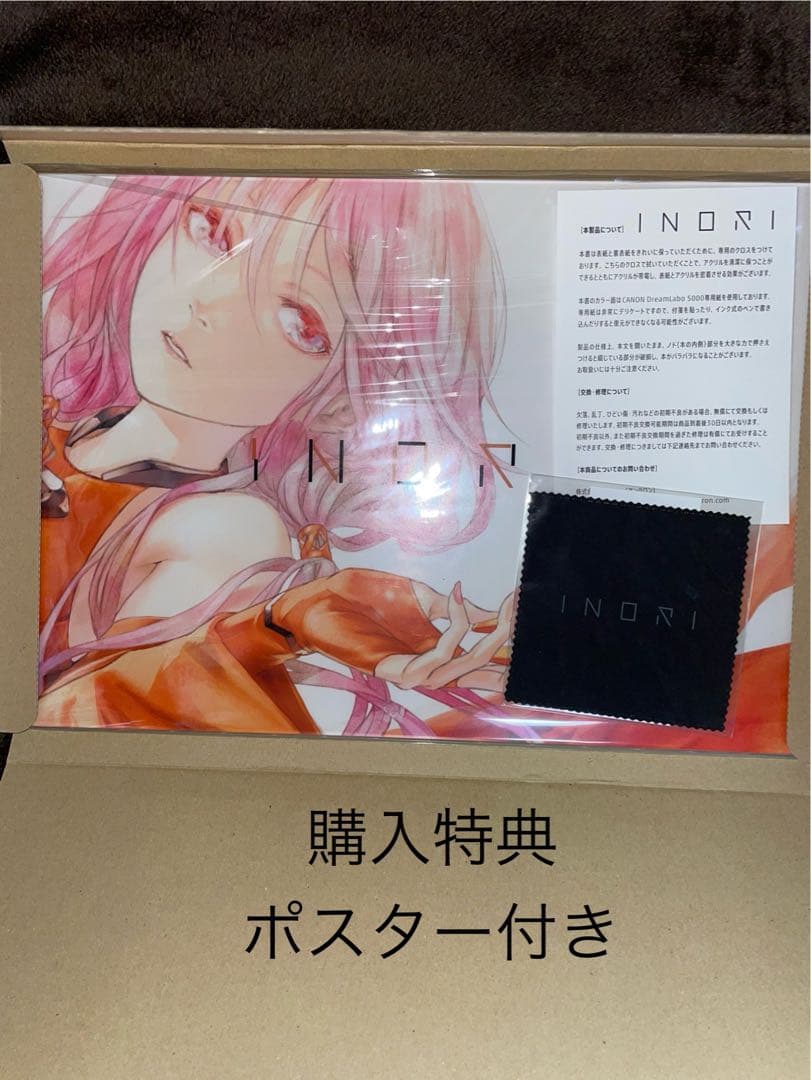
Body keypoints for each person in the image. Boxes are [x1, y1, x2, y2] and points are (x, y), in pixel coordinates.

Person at [37, 174, 524, 737]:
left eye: (298, 320)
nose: (209, 301)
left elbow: (91, 723)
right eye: (212, 232)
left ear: (340, 400)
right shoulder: (50, 420)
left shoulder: (222, 530)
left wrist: (271, 626)